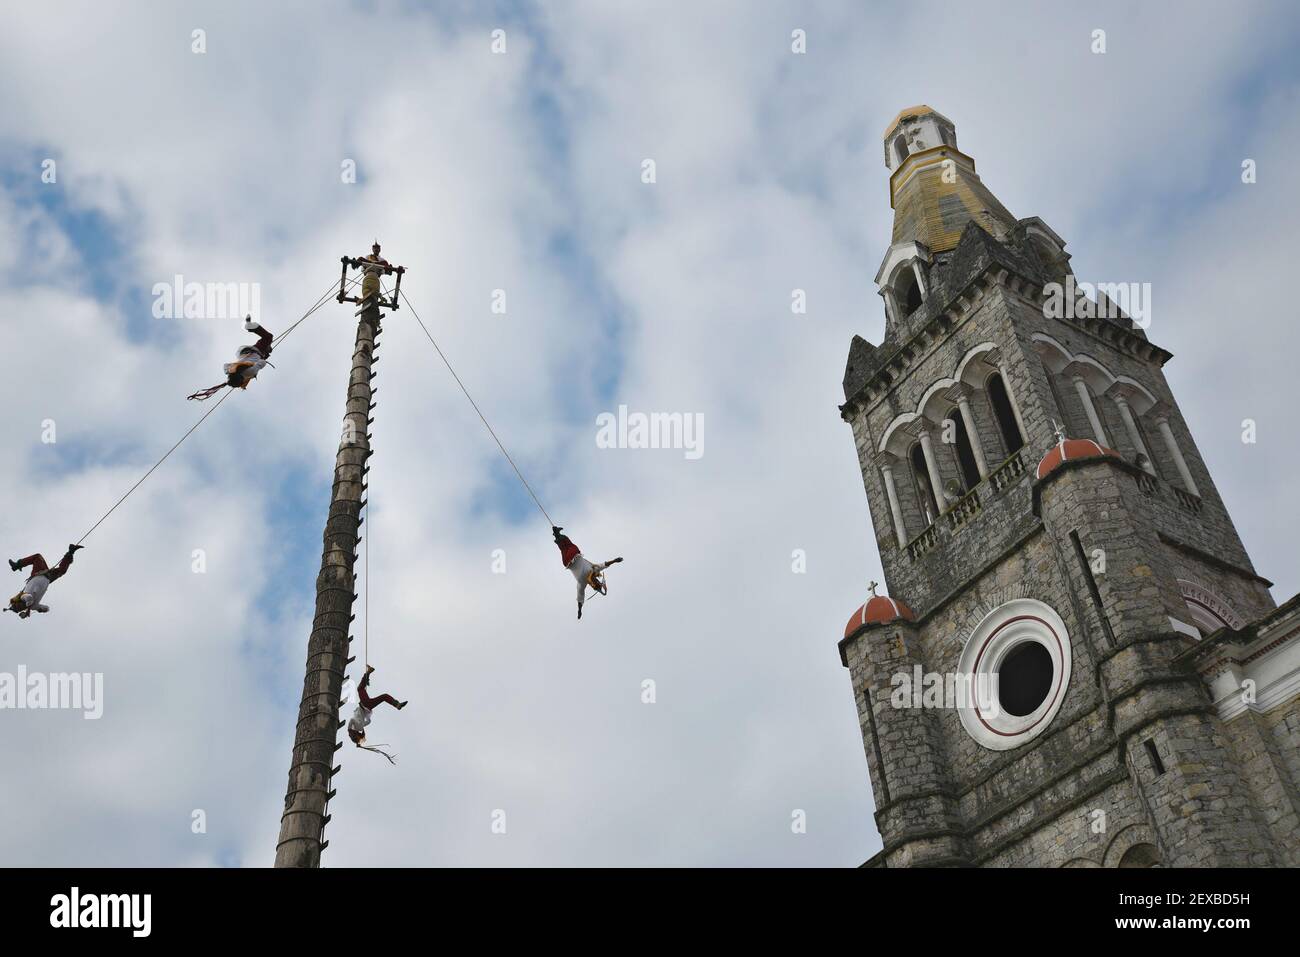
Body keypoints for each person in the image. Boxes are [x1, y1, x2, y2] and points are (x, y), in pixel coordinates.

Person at [186, 316, 276, 401]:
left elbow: (262, 363)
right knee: (265, 345)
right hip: (245, 352)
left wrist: (262, 358)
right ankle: (256, 335)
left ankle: (250, 327)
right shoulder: (232, 369)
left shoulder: (249, 373)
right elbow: (255, 361)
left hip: (253, 352)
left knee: (268, 337)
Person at [552, 526, 623, 620]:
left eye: (597, 581)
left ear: (594, 583)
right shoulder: (583, 582)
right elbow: (580, 598)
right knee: (563, 547)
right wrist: (579, 610)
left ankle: (557, 534)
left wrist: (615, 560)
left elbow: (603, 565)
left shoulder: (591, 573)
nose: (597, 580)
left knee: (567, 544)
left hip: (574, 555)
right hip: (566, 562)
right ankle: (556, 534)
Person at [347, 665, 407, 763]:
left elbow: (368, 722)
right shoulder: (358, 727)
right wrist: (350, 728)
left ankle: (397, 705)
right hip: (365, 705)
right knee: (360, 689)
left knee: (383, 696)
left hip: (368, 706)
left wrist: (358, 739)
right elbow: (351, 720)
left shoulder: (360, 727)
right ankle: (368, 672)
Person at [6, 545, 83, 619]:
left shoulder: (23, 597)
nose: (20, 607)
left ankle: (17, 565)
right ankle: (71, 552)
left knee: (37, 557)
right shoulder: (34, 606)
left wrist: (29, 609)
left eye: (18, 606)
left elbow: (29, 598)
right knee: (62, 571)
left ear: (17, 602)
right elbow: (46, 608)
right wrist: (40, 609)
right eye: (19, 609)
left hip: (39, 573)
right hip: (48, 578)